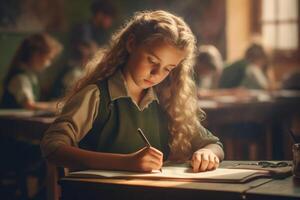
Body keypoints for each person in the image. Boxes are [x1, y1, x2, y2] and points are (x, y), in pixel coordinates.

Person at [41, 10, 224, 174]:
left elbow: (214, 144)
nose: (156, 74)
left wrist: (207, 153)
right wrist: (125, 162)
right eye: (152, 61)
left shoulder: (167, 100)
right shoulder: (96, 96)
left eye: (168, 68)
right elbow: (53, 147)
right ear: (131, 44)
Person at [0, 33, 62, 110]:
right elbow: (29, 105)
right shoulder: (20, 78)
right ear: (35, 55)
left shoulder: (31, 76)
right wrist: (56, 106)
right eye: (48, 58)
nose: (48, 64)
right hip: (10, 121)